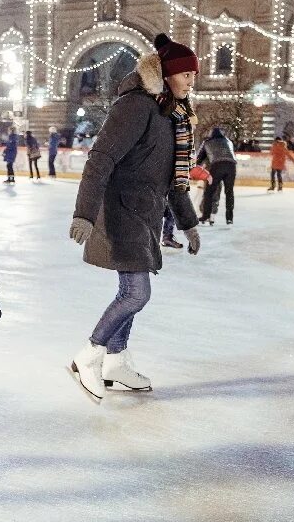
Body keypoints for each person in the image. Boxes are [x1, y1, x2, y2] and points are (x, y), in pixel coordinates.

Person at [68, 33, 202, 401]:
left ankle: (115, 361)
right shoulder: (136, 106)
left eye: (194, 74)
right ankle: (89, 356)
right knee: (136, 293)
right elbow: (100, 159)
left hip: (146, 215)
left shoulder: (172, 115)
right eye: (186, 74)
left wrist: (188, 224)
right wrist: (84, 214)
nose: (193, 81)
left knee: (132, 291)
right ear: (166, 74)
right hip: (120, 210)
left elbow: (175, 180)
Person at [197, 126, 237, 224]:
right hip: (231, 166)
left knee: (209, 192)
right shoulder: (228, 141)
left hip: (217, 166)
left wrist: (196, 167)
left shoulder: (207, 142)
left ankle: (205, 216)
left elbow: (199, 159)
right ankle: (229, 218)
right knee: (229, 193)